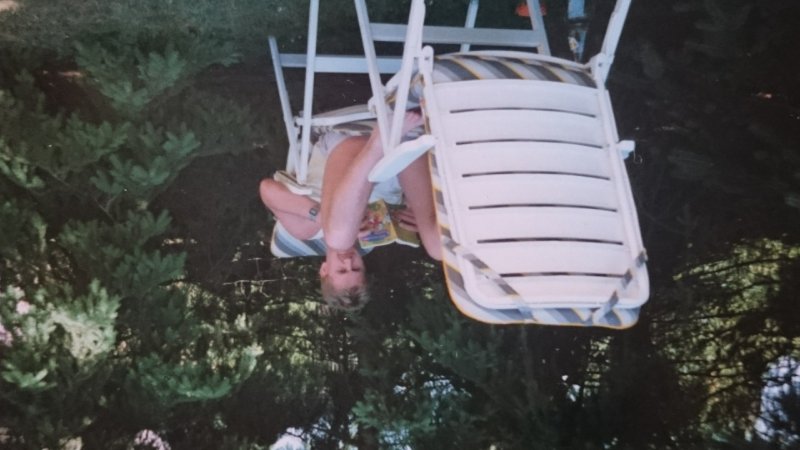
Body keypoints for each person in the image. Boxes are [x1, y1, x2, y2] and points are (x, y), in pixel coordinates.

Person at [259, 111, 441, 310]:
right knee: (436, 249)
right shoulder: (375, 237)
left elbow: (267, 189)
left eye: (342, 270)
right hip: (402, 151)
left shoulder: (305, 231)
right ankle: (399, 138)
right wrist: (412, 210)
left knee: (338, 238)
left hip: (347, 144)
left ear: (324, 269)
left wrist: (321, 217)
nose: (348, 261)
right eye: (356, 268)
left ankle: (377, 143)